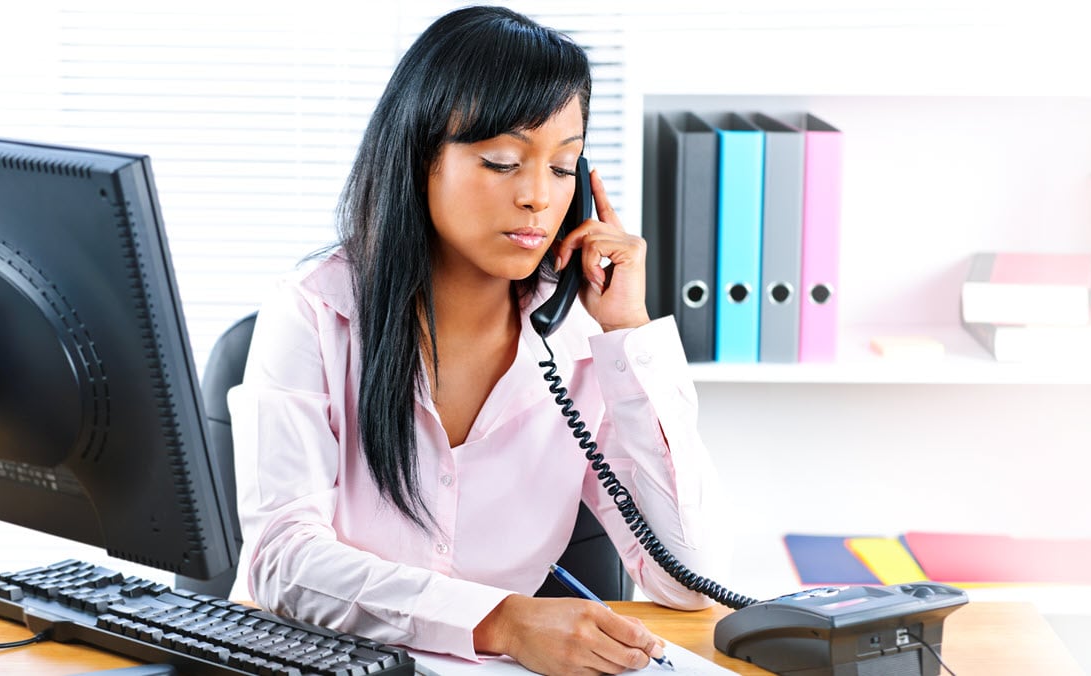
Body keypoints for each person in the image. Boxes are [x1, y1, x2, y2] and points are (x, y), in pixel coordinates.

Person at [230, 6, 732, 674]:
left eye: (563, 167)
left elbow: (689, 580)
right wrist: (497, 620)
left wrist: (629, 335)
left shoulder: (581, 342)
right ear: (420, 157)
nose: (536, 197)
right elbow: (282, 562)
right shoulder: (315, 313)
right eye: (502, 161)